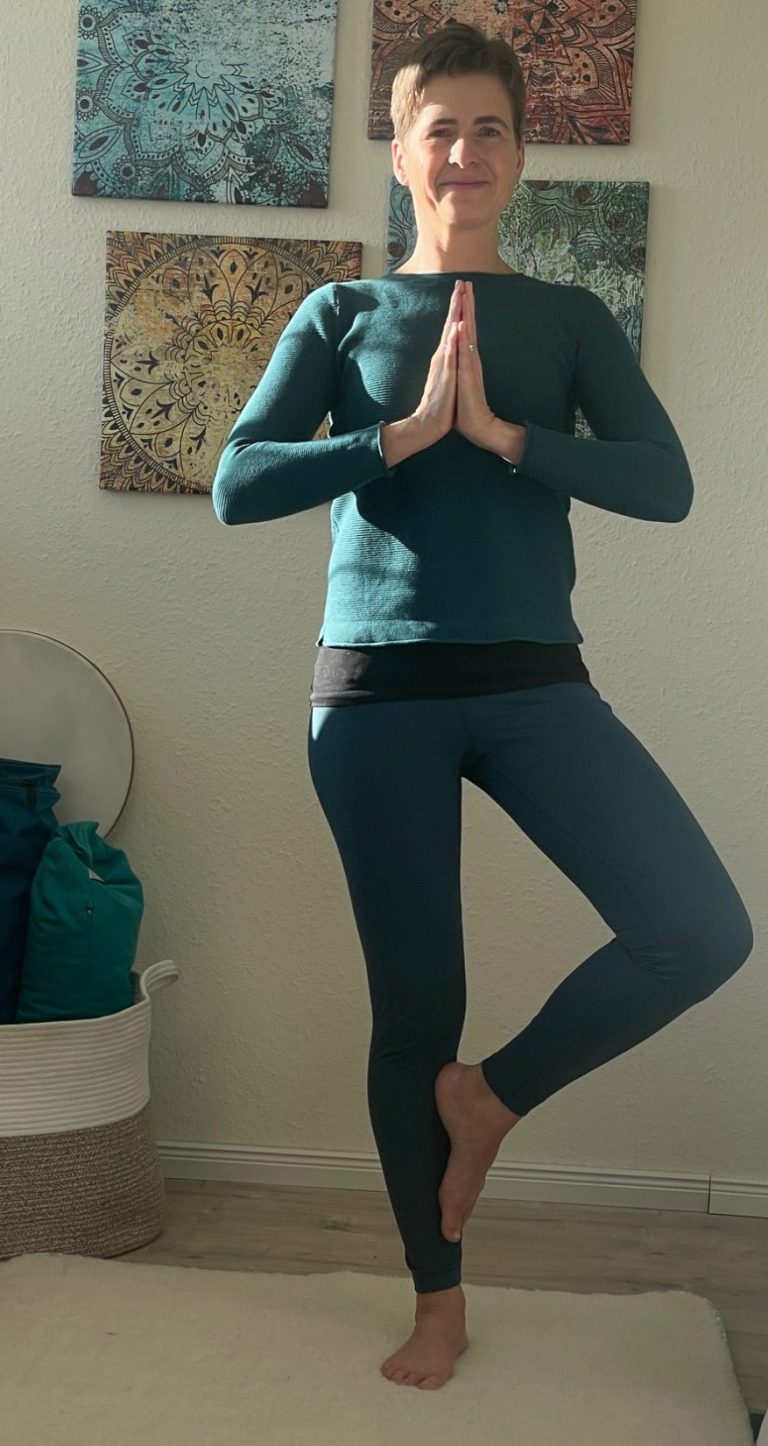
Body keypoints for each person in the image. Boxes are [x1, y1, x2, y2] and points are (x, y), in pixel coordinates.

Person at [211, 20, 753, 1394]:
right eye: (438, 128)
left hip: (532, 681)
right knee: (418, 1005)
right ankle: (437, 1297)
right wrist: (396, 436)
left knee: (698, 926)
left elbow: (665, 484)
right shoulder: (339, 313)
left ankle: (489, 1098)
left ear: (520, 157)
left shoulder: (568, 318)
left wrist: (507, 436)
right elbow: (238, 483)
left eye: (489, 128)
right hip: (376, 693)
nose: (464, 150)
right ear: (401, 155)